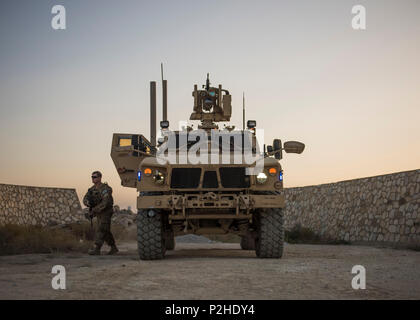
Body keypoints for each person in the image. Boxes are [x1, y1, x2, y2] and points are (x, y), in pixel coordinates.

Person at [83, 171, 119, 255]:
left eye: (95, 177)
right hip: (98, 212)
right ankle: (113, 247)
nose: (93, 178)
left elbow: (105, 202)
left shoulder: (105, 189)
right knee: (105, 230)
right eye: (92, 177)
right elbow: (85, 198)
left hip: (106, 211)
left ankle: (97, 248)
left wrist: (94, 210)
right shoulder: (91, 189)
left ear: (99, 178)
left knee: (101, 228)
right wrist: (88, 203)